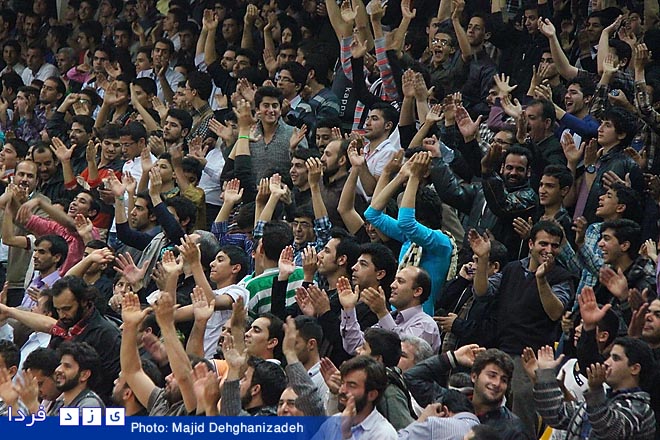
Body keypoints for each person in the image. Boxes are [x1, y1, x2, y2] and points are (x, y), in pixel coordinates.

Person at [469, 221, 576, 436]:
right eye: (543, 244)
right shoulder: (512, 268)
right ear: (530, 244)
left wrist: (541, 280)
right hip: (500, 351)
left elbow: (555, 311)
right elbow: (482, 292)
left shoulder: (562, 277)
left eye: (555, 246)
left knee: (522, 418)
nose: (549, 250)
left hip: (530, 358)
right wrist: (483, 259)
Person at [532, 338, 656, 439]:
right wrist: (545, 373)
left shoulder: (640, 409)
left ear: (635, 368)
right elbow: (555, 414)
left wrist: (596, 391)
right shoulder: (598, 402)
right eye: (608, 357)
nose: (606, 363)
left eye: (616, 358)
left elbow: (610, 431)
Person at [314, 355, 397, 440]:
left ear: (372, 395)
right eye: (342, 383)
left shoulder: (383, 434)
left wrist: (346, 434)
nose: (342, 390)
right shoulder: (332, 422)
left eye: (352, 385)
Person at [47, 341, 105, 416]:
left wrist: (33, 404)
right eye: (60, 365)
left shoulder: (90, 405)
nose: (59, 370)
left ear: (84, 375)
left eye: (67, 366)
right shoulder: (60, 403)